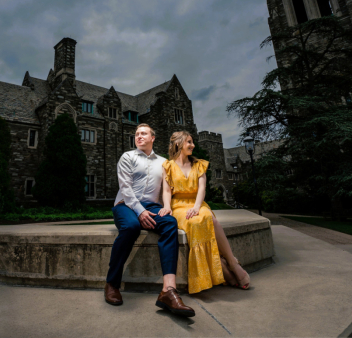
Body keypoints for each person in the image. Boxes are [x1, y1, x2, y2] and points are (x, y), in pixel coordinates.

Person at [104, 123, 195, 317]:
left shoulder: (163, 162)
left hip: (152, 206)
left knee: (170, 223)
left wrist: (167, 206)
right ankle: (112, 283)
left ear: (153, 138)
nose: (139, 136)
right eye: (137, 134)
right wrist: (140, 212)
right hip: (126, 205)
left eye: (144, 133)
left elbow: (167, 189)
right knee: (131, 227)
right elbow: (126, 189)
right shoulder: (127, 157)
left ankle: (168, 291)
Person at [161, 131, 250, 294]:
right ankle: (221, 268)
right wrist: (167, 206)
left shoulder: (199, 164)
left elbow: (202, 188)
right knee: (195, 223)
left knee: (209, 218)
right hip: (179, 206)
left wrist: (196, 207)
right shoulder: (168, 166)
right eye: (189, 142)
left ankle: (231, 263)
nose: (193, 145)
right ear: (178, 144)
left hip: (197, 203)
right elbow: (167, 191)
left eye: (192, 142)